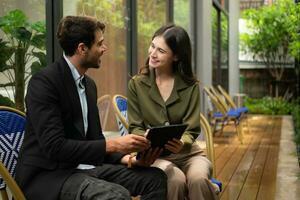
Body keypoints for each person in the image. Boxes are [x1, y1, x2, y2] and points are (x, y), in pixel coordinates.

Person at [15, 15, 167, 200]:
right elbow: (55, 147)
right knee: (116, 195)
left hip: (84, 169)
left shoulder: (89, 85)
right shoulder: (44, 83)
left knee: (156, 179)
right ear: (82, 48)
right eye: (100, 43)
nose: (105, 48)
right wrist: (113, 144)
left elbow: (94, 139)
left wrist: (128, 159)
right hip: (49, 176)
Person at [128, 24, 219, 200]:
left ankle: (205, 188)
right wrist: (146, 138)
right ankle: (210, 190)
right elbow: (135, 126)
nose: (152, 53)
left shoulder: (190, 86)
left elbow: (192, 129)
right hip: (154, 156)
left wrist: (182, 142)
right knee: (175, 180)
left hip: (189, 154)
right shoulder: (136, 84)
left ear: (176, 56)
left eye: (161, 50)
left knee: (199, 179)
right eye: (152, 46)